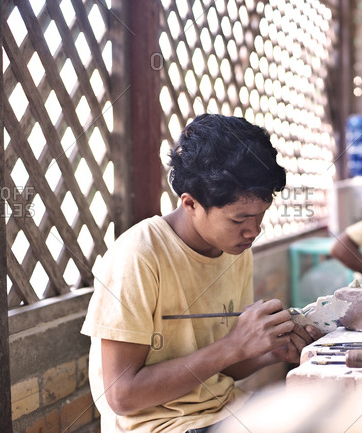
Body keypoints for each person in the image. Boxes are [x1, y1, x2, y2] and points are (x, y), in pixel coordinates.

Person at [81, 114, 322, 433]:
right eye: (239, 220)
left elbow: (222, 368)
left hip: (225, 409)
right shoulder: (139, 256)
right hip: (161, 425)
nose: (253, 231)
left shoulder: (236, 249)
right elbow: (122, 396)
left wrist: (269, 350)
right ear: (190, 203)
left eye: (260, 216)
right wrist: (235, 345)